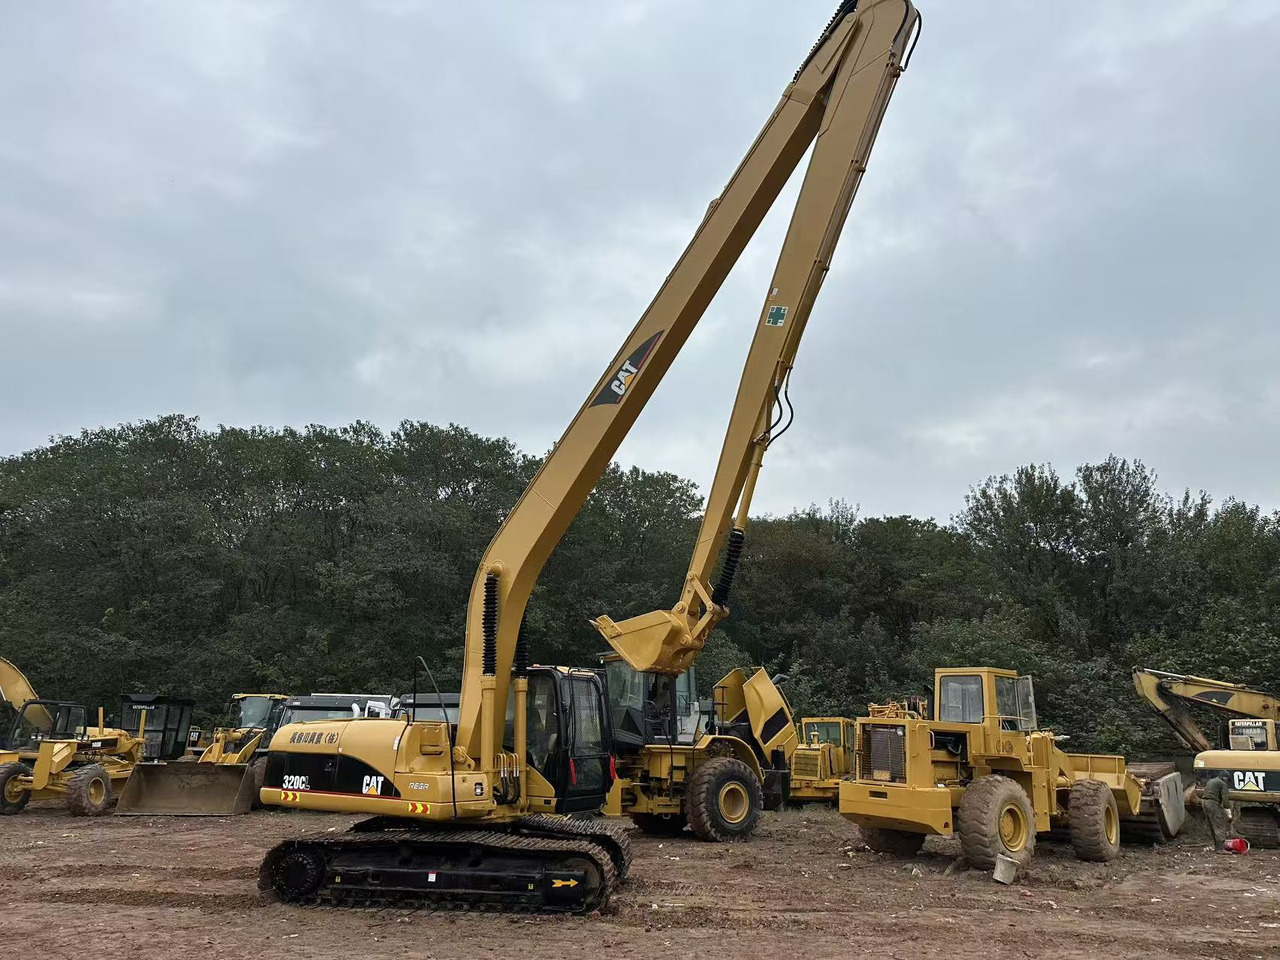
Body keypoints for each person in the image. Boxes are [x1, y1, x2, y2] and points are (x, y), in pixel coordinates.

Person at [1201, 771, 1232, 850]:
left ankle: (1216, 846)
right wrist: (1229, 814)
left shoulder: (1211, 781)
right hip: (1213, 803)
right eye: (1227, 780)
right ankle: (1220, 849)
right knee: (1219, 824)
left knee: (1212, 824)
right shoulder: (1222, 784)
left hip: (1204, 802)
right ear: (1224, 777)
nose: (1227, 782)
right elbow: (1225, 799)